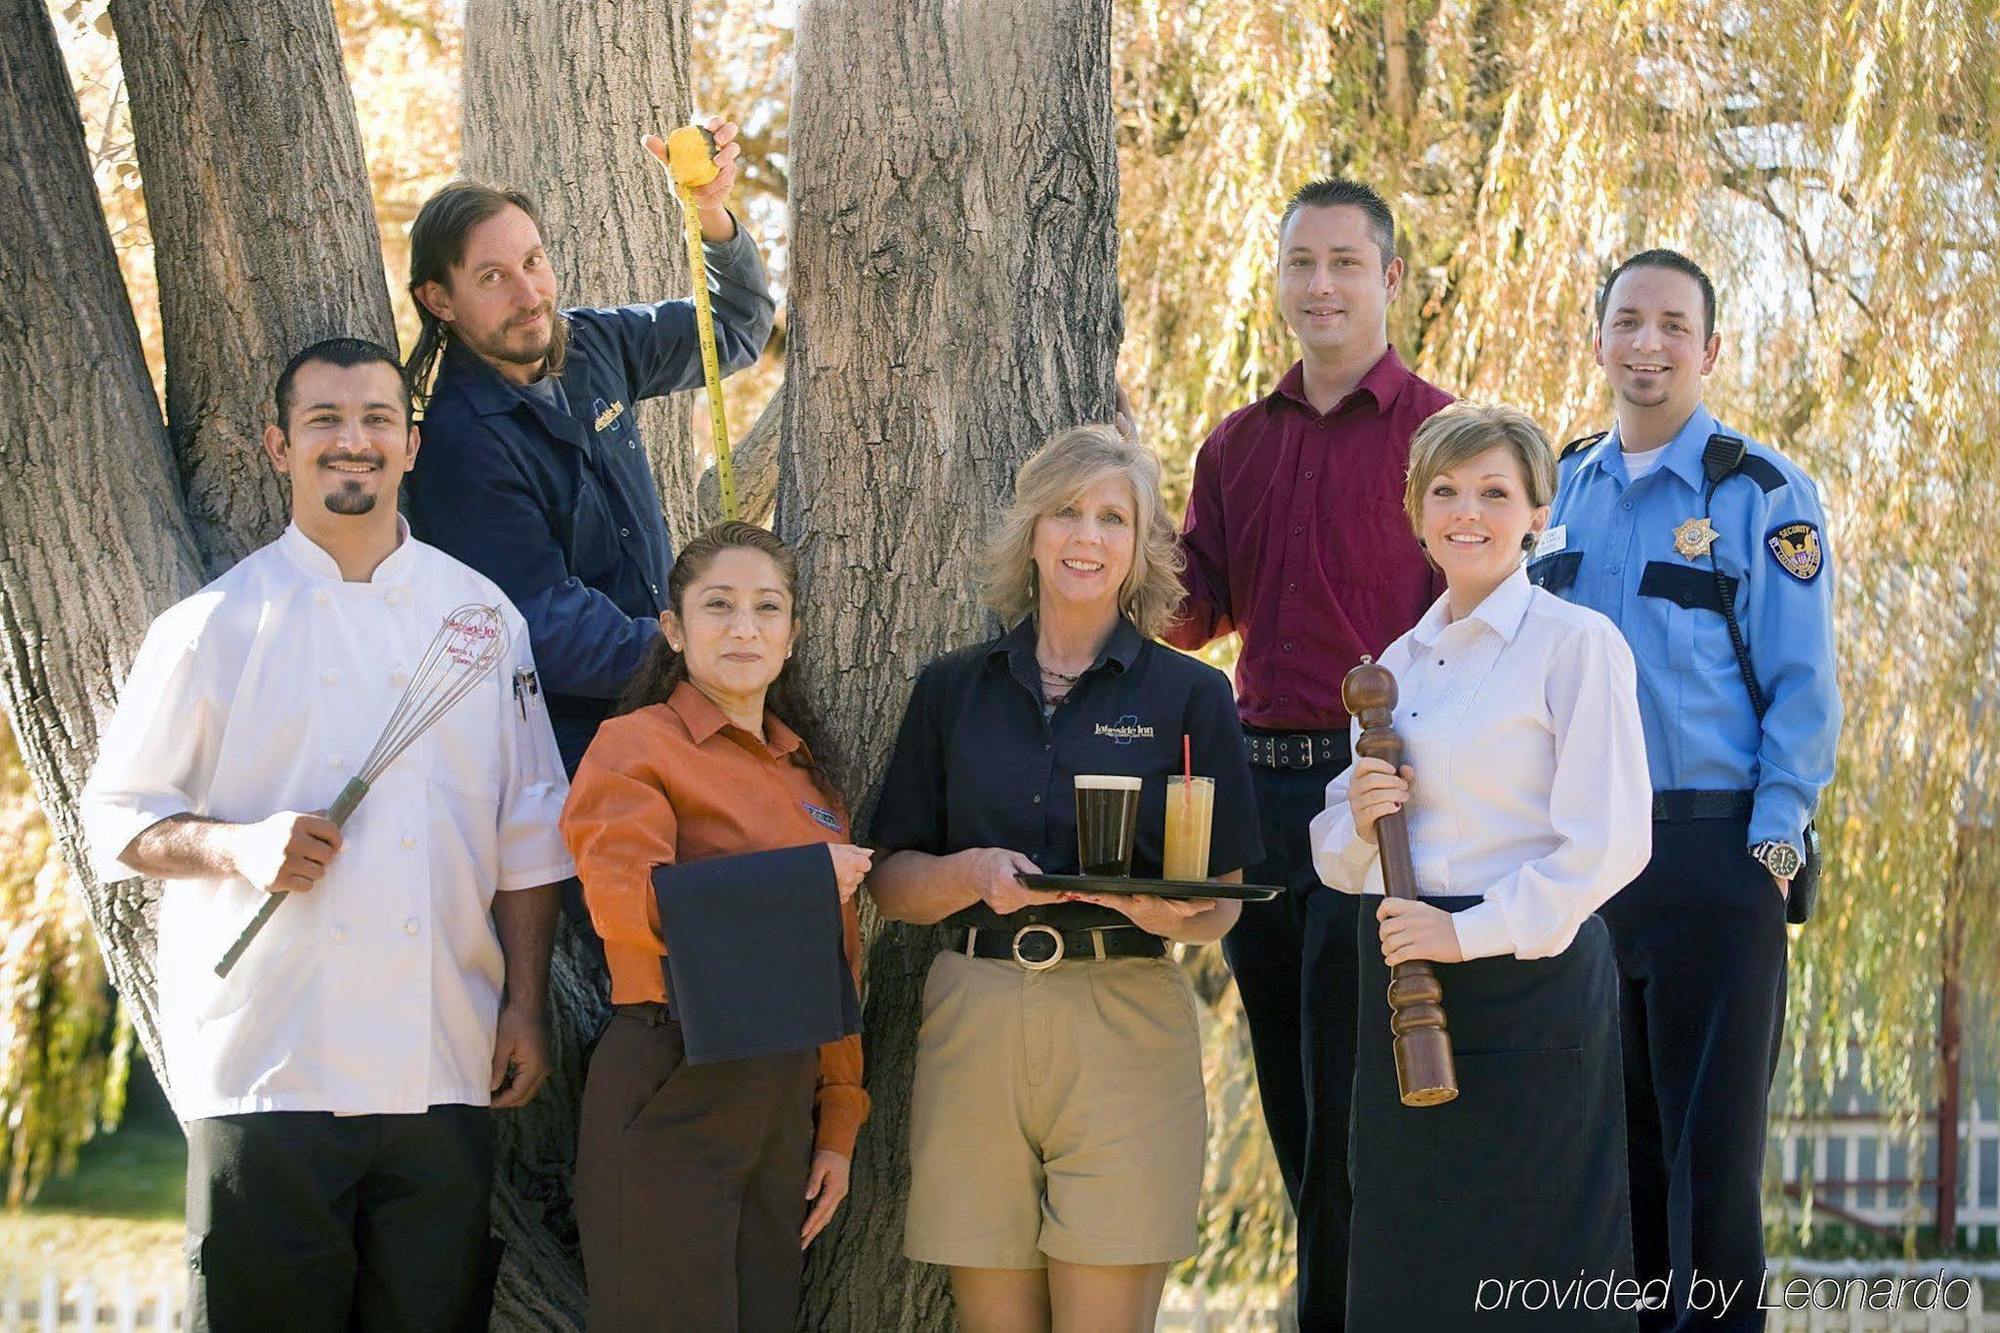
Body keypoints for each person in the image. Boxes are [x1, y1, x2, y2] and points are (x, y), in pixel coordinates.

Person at [79, 338, 572, 1332]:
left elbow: (527, 833)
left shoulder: (481, 620)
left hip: (441, 1054)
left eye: (376, 420)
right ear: (278, 444)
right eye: (325, 422)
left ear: (411, 443)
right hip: (268, 1061)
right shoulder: (211, 626)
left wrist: (523, 1003)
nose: (354, 442)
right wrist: (237, 846)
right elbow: (115, 817)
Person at [869, 424, 1261, 1333]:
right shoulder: (951, 690)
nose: (1088, 536)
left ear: (1141, 544)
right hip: (974, 1011)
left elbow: (1218, 905)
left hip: (1122, 1014)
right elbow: (889, 881)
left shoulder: (1191, 697)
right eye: (1067, 512)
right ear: (1031, 530)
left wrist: (1166, 909)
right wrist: (968, 873)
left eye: (1114, 517)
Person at [1533, 250, 1842, 1332]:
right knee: (1609, 1150)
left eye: (1673, 325)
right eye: (1627, 321)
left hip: (1713, 853)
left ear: (1707, 350)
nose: (1647, 344)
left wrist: (1768, 847)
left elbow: (1802, 687)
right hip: (1580, 860)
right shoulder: (1557, 489)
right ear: (1599, 340)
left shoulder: (1759, 493)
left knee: (1710, 1162)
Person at [1166, 176, 1451, 1326]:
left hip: (1374, 797)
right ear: (1278, 278)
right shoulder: (1235, 445)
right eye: (1300, 263)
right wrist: (1115, 528)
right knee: (1288, 1092)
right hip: (1251, 805)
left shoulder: (1438, 436)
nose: (1320, 284)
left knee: (1357, 1102)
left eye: (1344, 262)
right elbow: (1191, 610)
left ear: (1388, 278)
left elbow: (1469, 622)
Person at [1311, 402, 1651, 1331]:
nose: (1470, 512)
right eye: (1447, 491)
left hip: (1529, 978)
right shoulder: (1395, 668)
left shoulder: (1577, 647)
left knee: (1541, 1267)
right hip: (1408, 983)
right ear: (1416, 510)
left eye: (1496, 492)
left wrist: (1464, 933)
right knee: (1405, 1262)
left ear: (1539, 511)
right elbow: (1342, 851)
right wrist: (1364, 817)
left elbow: (1611, 843)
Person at [560, 522, 869, 1331]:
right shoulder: (633, 748)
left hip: (784, 1099)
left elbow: (835, 960)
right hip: (672, 1072)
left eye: (768, 608)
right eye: (719, 605)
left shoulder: (810, 778)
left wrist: (837, 1121)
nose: (744, 627)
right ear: (674, 628)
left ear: (792, 635)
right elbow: (626, 903)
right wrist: (798, 882)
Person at [404, 117, 776, 776]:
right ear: (439, 299)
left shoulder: (590, 343)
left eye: (533, 261)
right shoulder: (457, 446)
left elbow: (735, 329)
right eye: (492, 278)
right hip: (573, 755)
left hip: (675, 706)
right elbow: (545, 624)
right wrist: (696, 651)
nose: (529, 296)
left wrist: (711, 215)